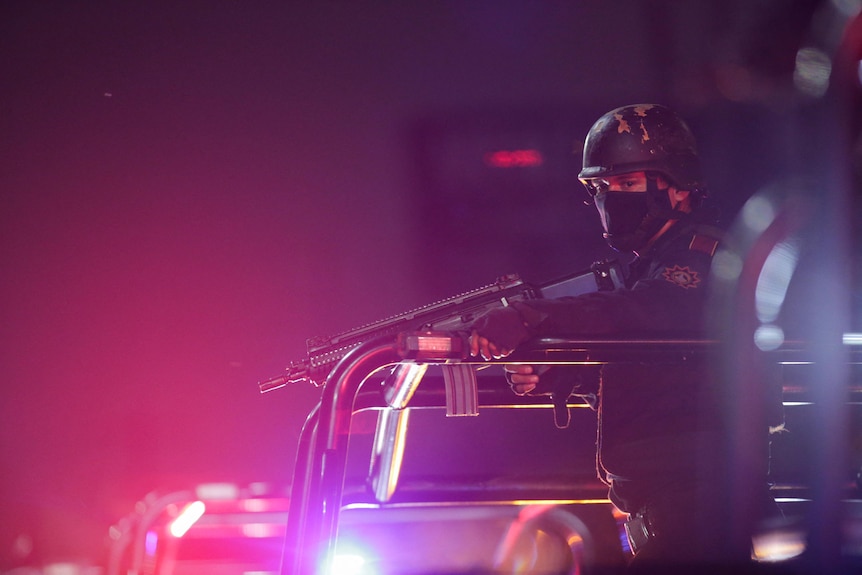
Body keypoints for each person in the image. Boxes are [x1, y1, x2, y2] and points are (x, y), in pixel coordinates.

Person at [468, 103, 782, 570]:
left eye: (629, 184)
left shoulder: (702, 256)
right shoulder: (644, 271)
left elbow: (654, 311)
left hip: (697, 516)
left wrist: (532, 317)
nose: (611, 198)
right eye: (601, 187)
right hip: (675, 517)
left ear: (677, 189)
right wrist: (570, 374)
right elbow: (662, 371)